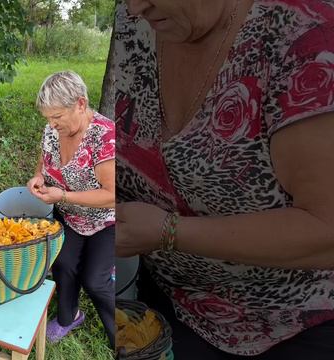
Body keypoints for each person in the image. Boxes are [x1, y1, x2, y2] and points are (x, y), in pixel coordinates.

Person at [116, 0, 334, 358]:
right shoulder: (131, 21)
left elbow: (327, 231)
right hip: (170, 303)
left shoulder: (306, 34)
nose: (136, 8)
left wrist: (167, 232)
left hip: (291, 324)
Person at [26, 71, 116, 347]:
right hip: (70, 216)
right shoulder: (53, 131)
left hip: (107, 220)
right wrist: (38, 177)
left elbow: (112, 195)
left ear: (80, 103)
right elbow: (44, 160)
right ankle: (69, 317)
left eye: (57, 117)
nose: (52, 125)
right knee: (63, 263)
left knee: (95, 280)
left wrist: (63, 195)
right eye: (48, 119)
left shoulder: (105, 136)